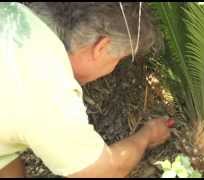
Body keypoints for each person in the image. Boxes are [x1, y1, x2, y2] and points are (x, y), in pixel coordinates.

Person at [0, 2, 170, 178]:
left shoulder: (13, 12)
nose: (113, 67)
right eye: (118, 59)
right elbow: (104, 170)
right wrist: (147, 136)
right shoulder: (50, 91)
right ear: (101, 47)